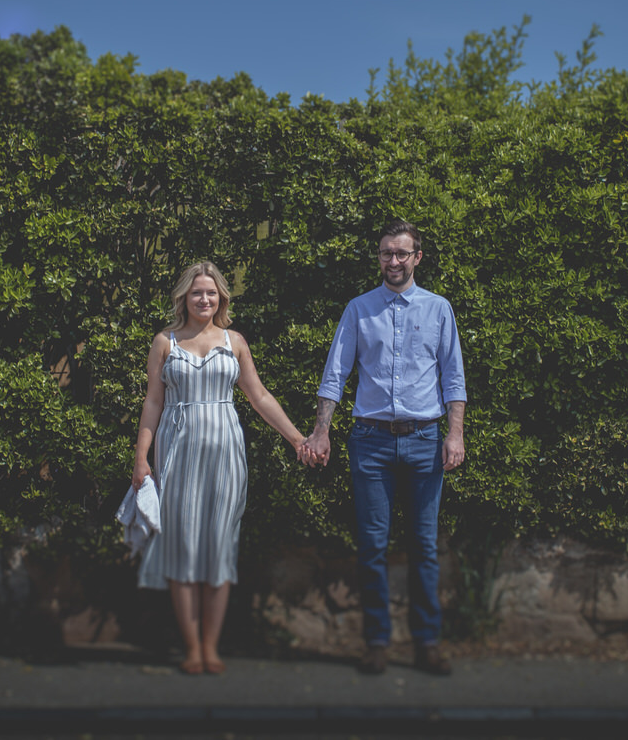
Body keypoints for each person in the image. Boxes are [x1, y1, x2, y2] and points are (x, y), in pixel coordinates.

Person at [301, 220, 466, 676]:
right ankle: (376, 642)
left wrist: (455, 434)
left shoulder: (438, 309)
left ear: (417, 257)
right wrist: (321, 431)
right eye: (386, 253)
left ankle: (427, 644)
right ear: (379, 257)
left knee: (424, 547)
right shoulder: (359, 309)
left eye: (401, 253)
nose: (393, 261)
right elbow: (335, 373)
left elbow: (453, 377)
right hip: (370, 443)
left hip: (424, 443)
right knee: (372, 546)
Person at [132, 261, 308, 675]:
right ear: (184, 298)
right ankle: (193, 647)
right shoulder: (164, 342)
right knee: (182, 550)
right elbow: (152, 403)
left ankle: (212, 646)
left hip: (226, 454)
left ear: (222, 298)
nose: (204, 299)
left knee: (219, 551)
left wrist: (298, 438)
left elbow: (259, 396)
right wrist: (141, 457)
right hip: (177, 455)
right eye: (197, 293)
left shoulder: (235, 341)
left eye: (211, 293)